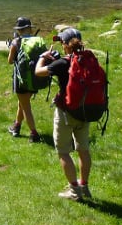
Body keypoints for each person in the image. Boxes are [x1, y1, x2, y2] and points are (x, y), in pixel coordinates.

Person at [34, 27, 93, 202]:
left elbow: (38, 72)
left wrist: (42, 58)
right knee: (83, 149)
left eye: (61, 42)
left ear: (67, 45)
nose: (60, 45)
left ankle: (74, 191)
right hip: (85, 110)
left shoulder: (62, 63)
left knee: (63, 151)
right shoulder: (89, 59)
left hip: (66, 113)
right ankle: (84, 186)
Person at [6, 17, 41, 143]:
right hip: (35, 78)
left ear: (19, 30)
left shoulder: (16, 42)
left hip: (21, 79)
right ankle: (16, 127)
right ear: (30, 29)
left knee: (26, 106)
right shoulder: (37, 40)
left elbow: (10, 61)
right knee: (22, 103)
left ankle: (34, 133)